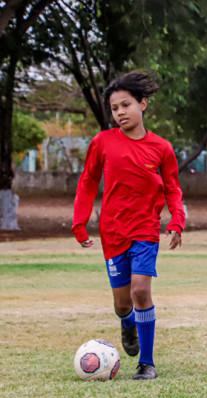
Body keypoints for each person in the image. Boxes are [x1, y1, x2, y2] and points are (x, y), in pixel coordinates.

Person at [72, 71, 185, 380]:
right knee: (123, 303)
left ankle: (146, 363)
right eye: (115, 108)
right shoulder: (103, 143)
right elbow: (88, 182)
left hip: (145, 231)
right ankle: (126, 322)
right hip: (112, 233)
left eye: (126, 105)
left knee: (140, 290)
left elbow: (173, 188)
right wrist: (79, 222)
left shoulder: (161, 148)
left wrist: (177, 220)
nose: (120, 112)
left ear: (143, 104)